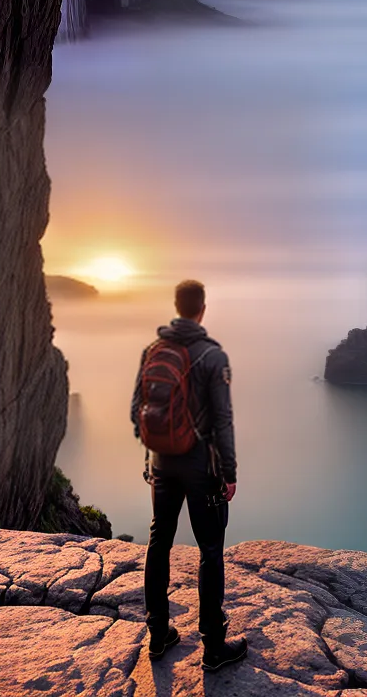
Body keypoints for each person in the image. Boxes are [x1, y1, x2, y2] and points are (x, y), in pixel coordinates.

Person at [130, 279, 248, 672]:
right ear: (202, 309)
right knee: (210, 550)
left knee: (158, 542)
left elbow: (138, 410)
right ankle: (214, 647)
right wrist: (228, 471)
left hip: (162, 463)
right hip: (202, 468)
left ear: (177, 307)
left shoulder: (154, 350)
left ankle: (158, 635)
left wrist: (157, 453)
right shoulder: (213, 357)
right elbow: (223, 420)